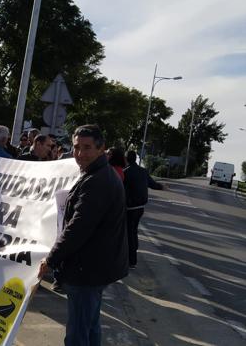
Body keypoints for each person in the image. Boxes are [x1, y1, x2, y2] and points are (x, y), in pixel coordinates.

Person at [38, 124, 129, 346]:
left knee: (78, 332)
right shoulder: (95, 174)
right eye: (77, 147)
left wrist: (51, 260)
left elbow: (78, 228)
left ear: (101, 149)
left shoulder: (98, 181)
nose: (80, 154)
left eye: (87, 148)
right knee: (89, 324)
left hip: (87, 268)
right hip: (94, 266)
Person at [123, 150, 165, 268]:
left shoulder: (125, 172)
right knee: (133, 232)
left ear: (126, 159)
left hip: (130, 207)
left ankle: (131, 260)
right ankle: (132, 257)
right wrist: (162, 187)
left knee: (129, 233)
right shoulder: (143, 171)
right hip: (140, 207)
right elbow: (153, 184)